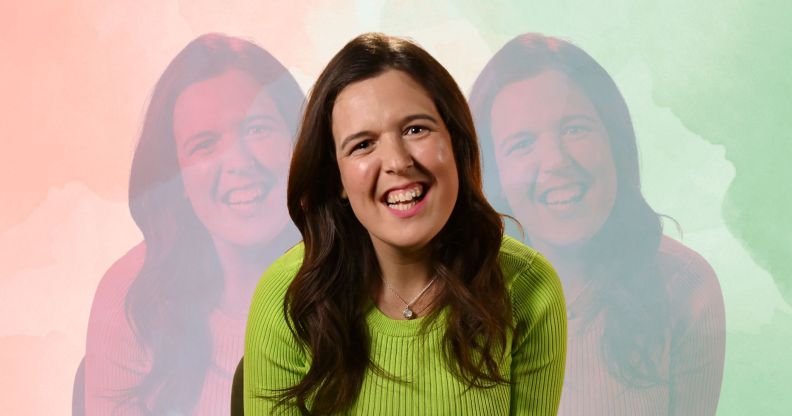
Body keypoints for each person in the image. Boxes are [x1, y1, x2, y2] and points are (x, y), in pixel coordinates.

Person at [244, 33, 567, 415]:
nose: (397, 161)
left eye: (416, 129)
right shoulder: (289, 297)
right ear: (338, 180)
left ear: (455, 142)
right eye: (362, 144)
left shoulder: (529, 288)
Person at [469, 33, 726, 415]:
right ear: (494, 174)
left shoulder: (685, 287)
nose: (555, 161)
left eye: (574, 128)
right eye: (521, 144)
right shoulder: (456, 292)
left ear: (614, 140)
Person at [84, 33, 304, 415]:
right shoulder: (130, 295)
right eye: (204, 144)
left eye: (257, 129)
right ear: (178, 177)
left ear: (298, 141)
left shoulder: (366, 272)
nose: (238, 161)